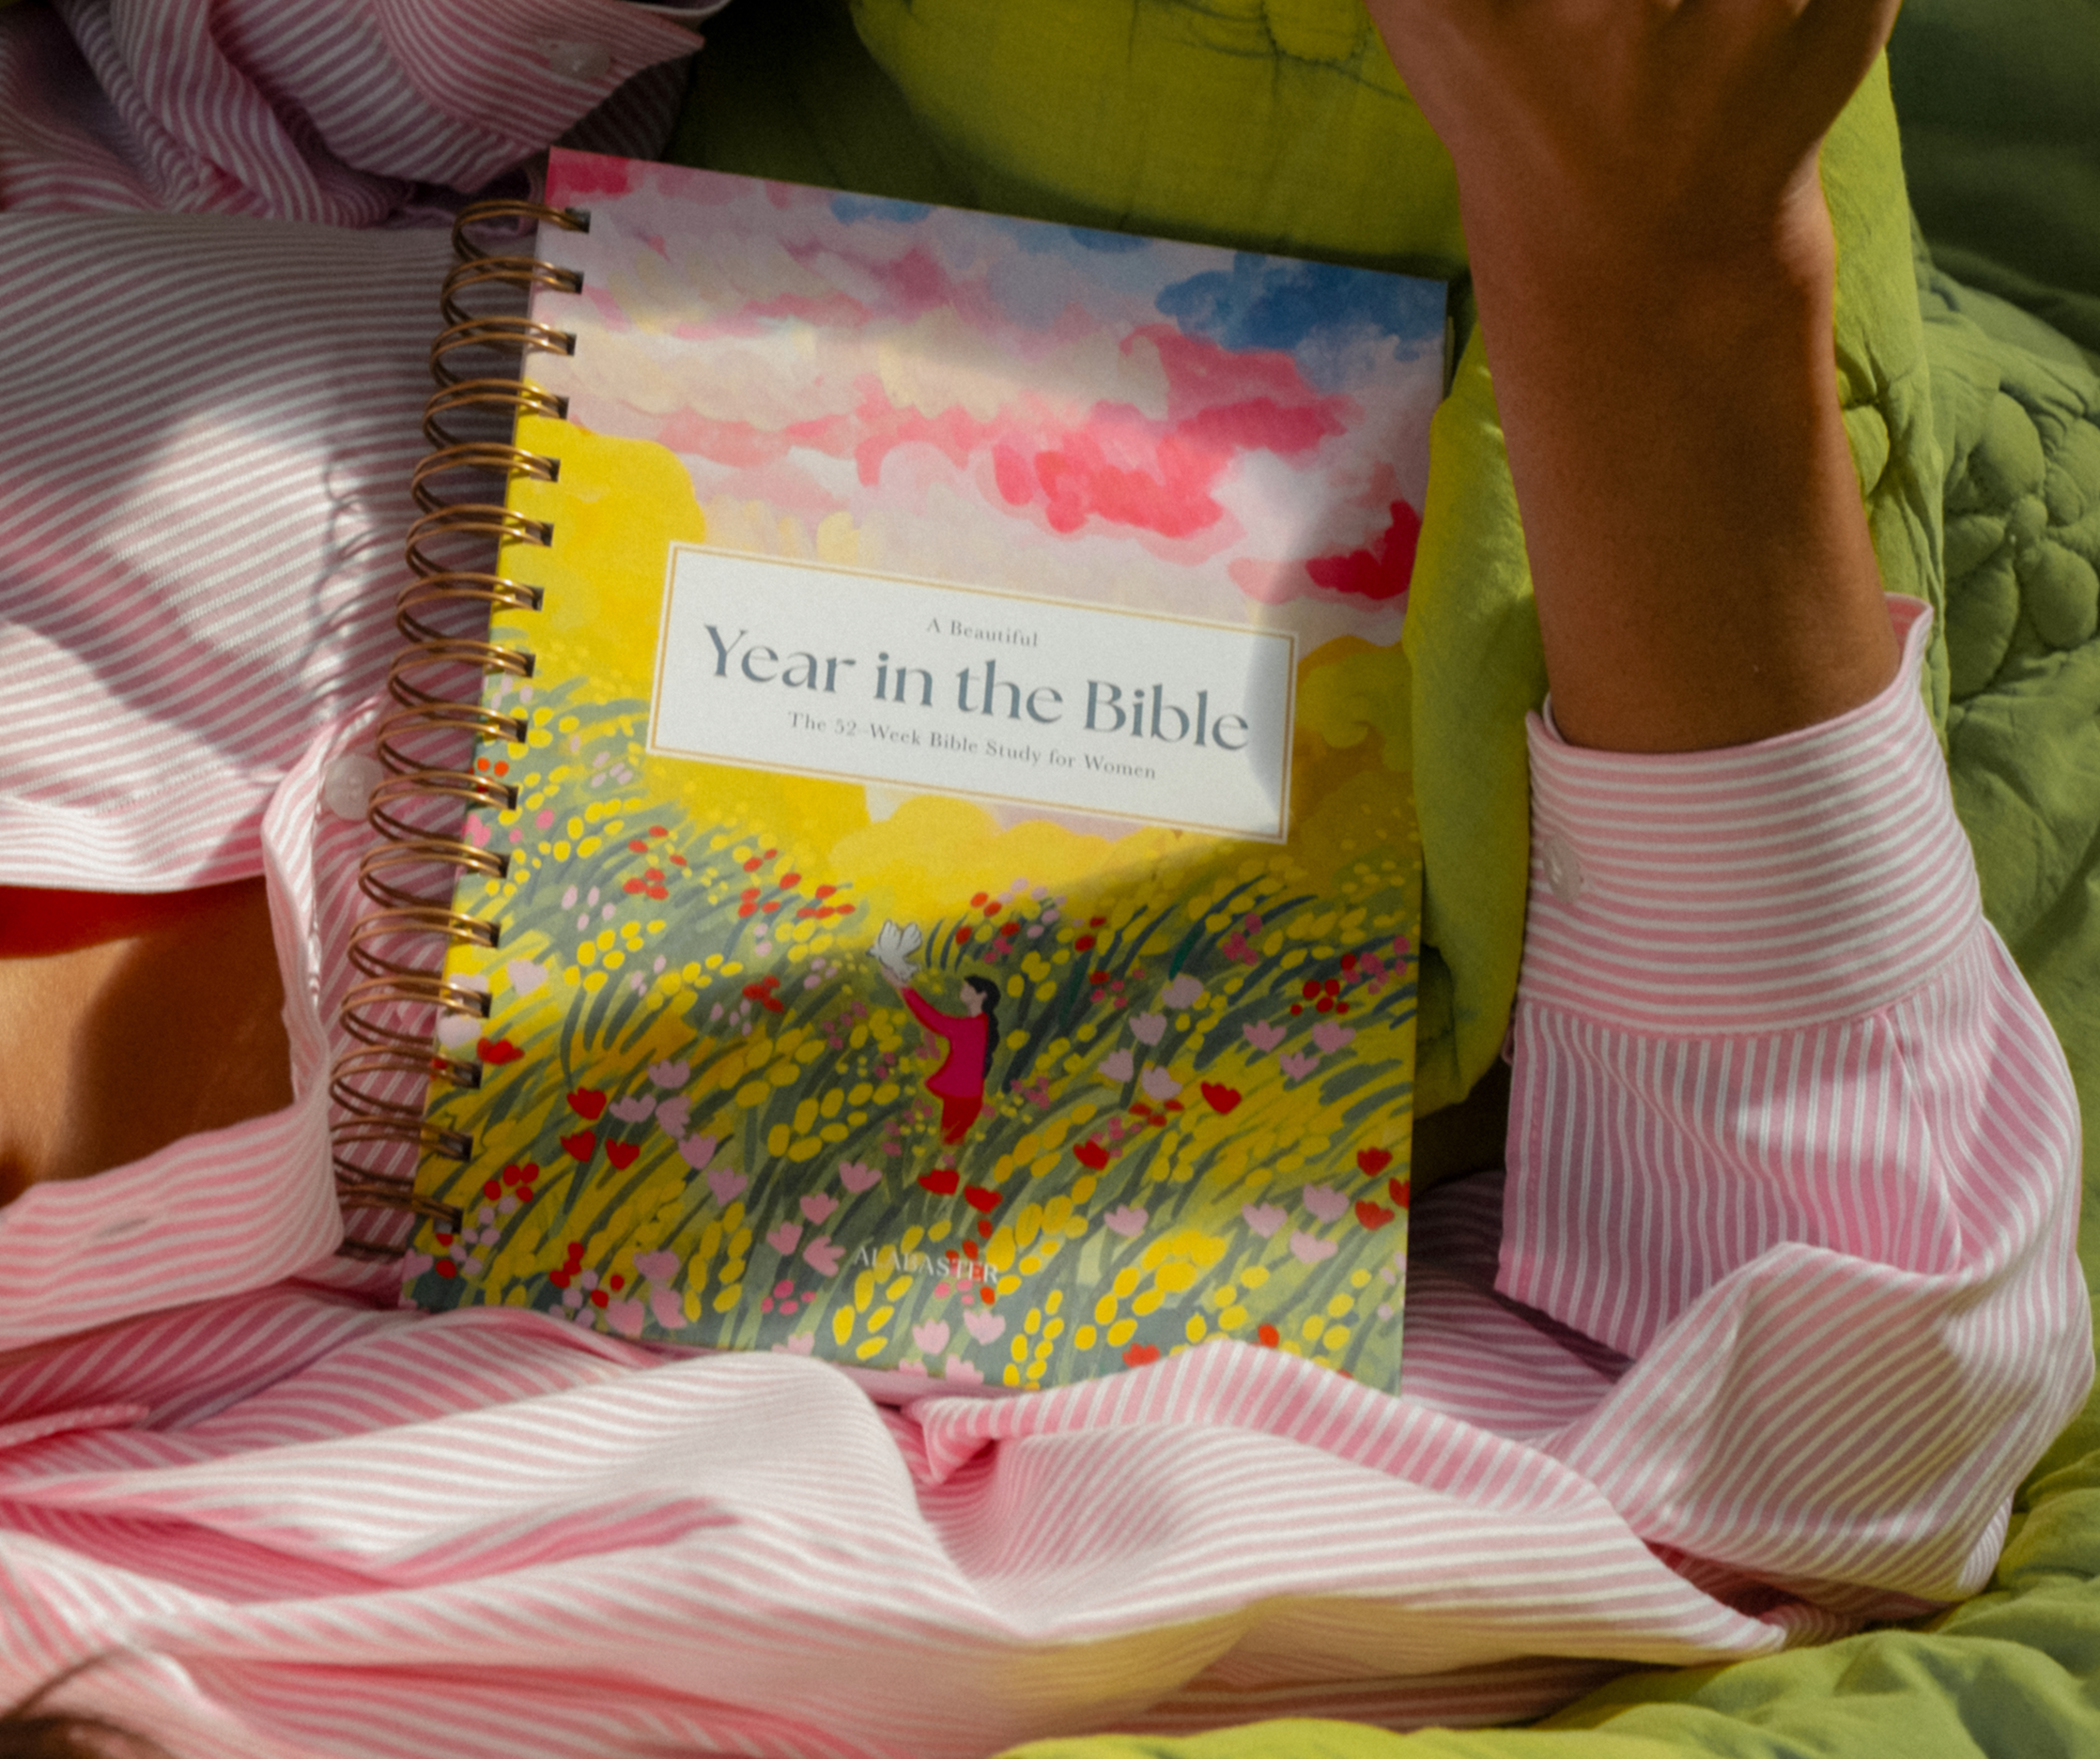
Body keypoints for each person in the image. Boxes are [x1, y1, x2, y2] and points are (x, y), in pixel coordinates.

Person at [0, 1, 2087, 1753]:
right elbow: (1789, 1428)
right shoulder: (234, 1588)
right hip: (1587, 426)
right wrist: (1660, 272)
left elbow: (237, 94)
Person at [883, 968, 1002, 1146]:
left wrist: (902, 987)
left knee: (949, 1144)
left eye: (969, 987)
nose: (963, 988)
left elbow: (935, 1020)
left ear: (982, 995)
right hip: (963, 1097)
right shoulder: (978, 1023)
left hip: (962, 1099)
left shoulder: (974, 1026)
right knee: (949, 1144)